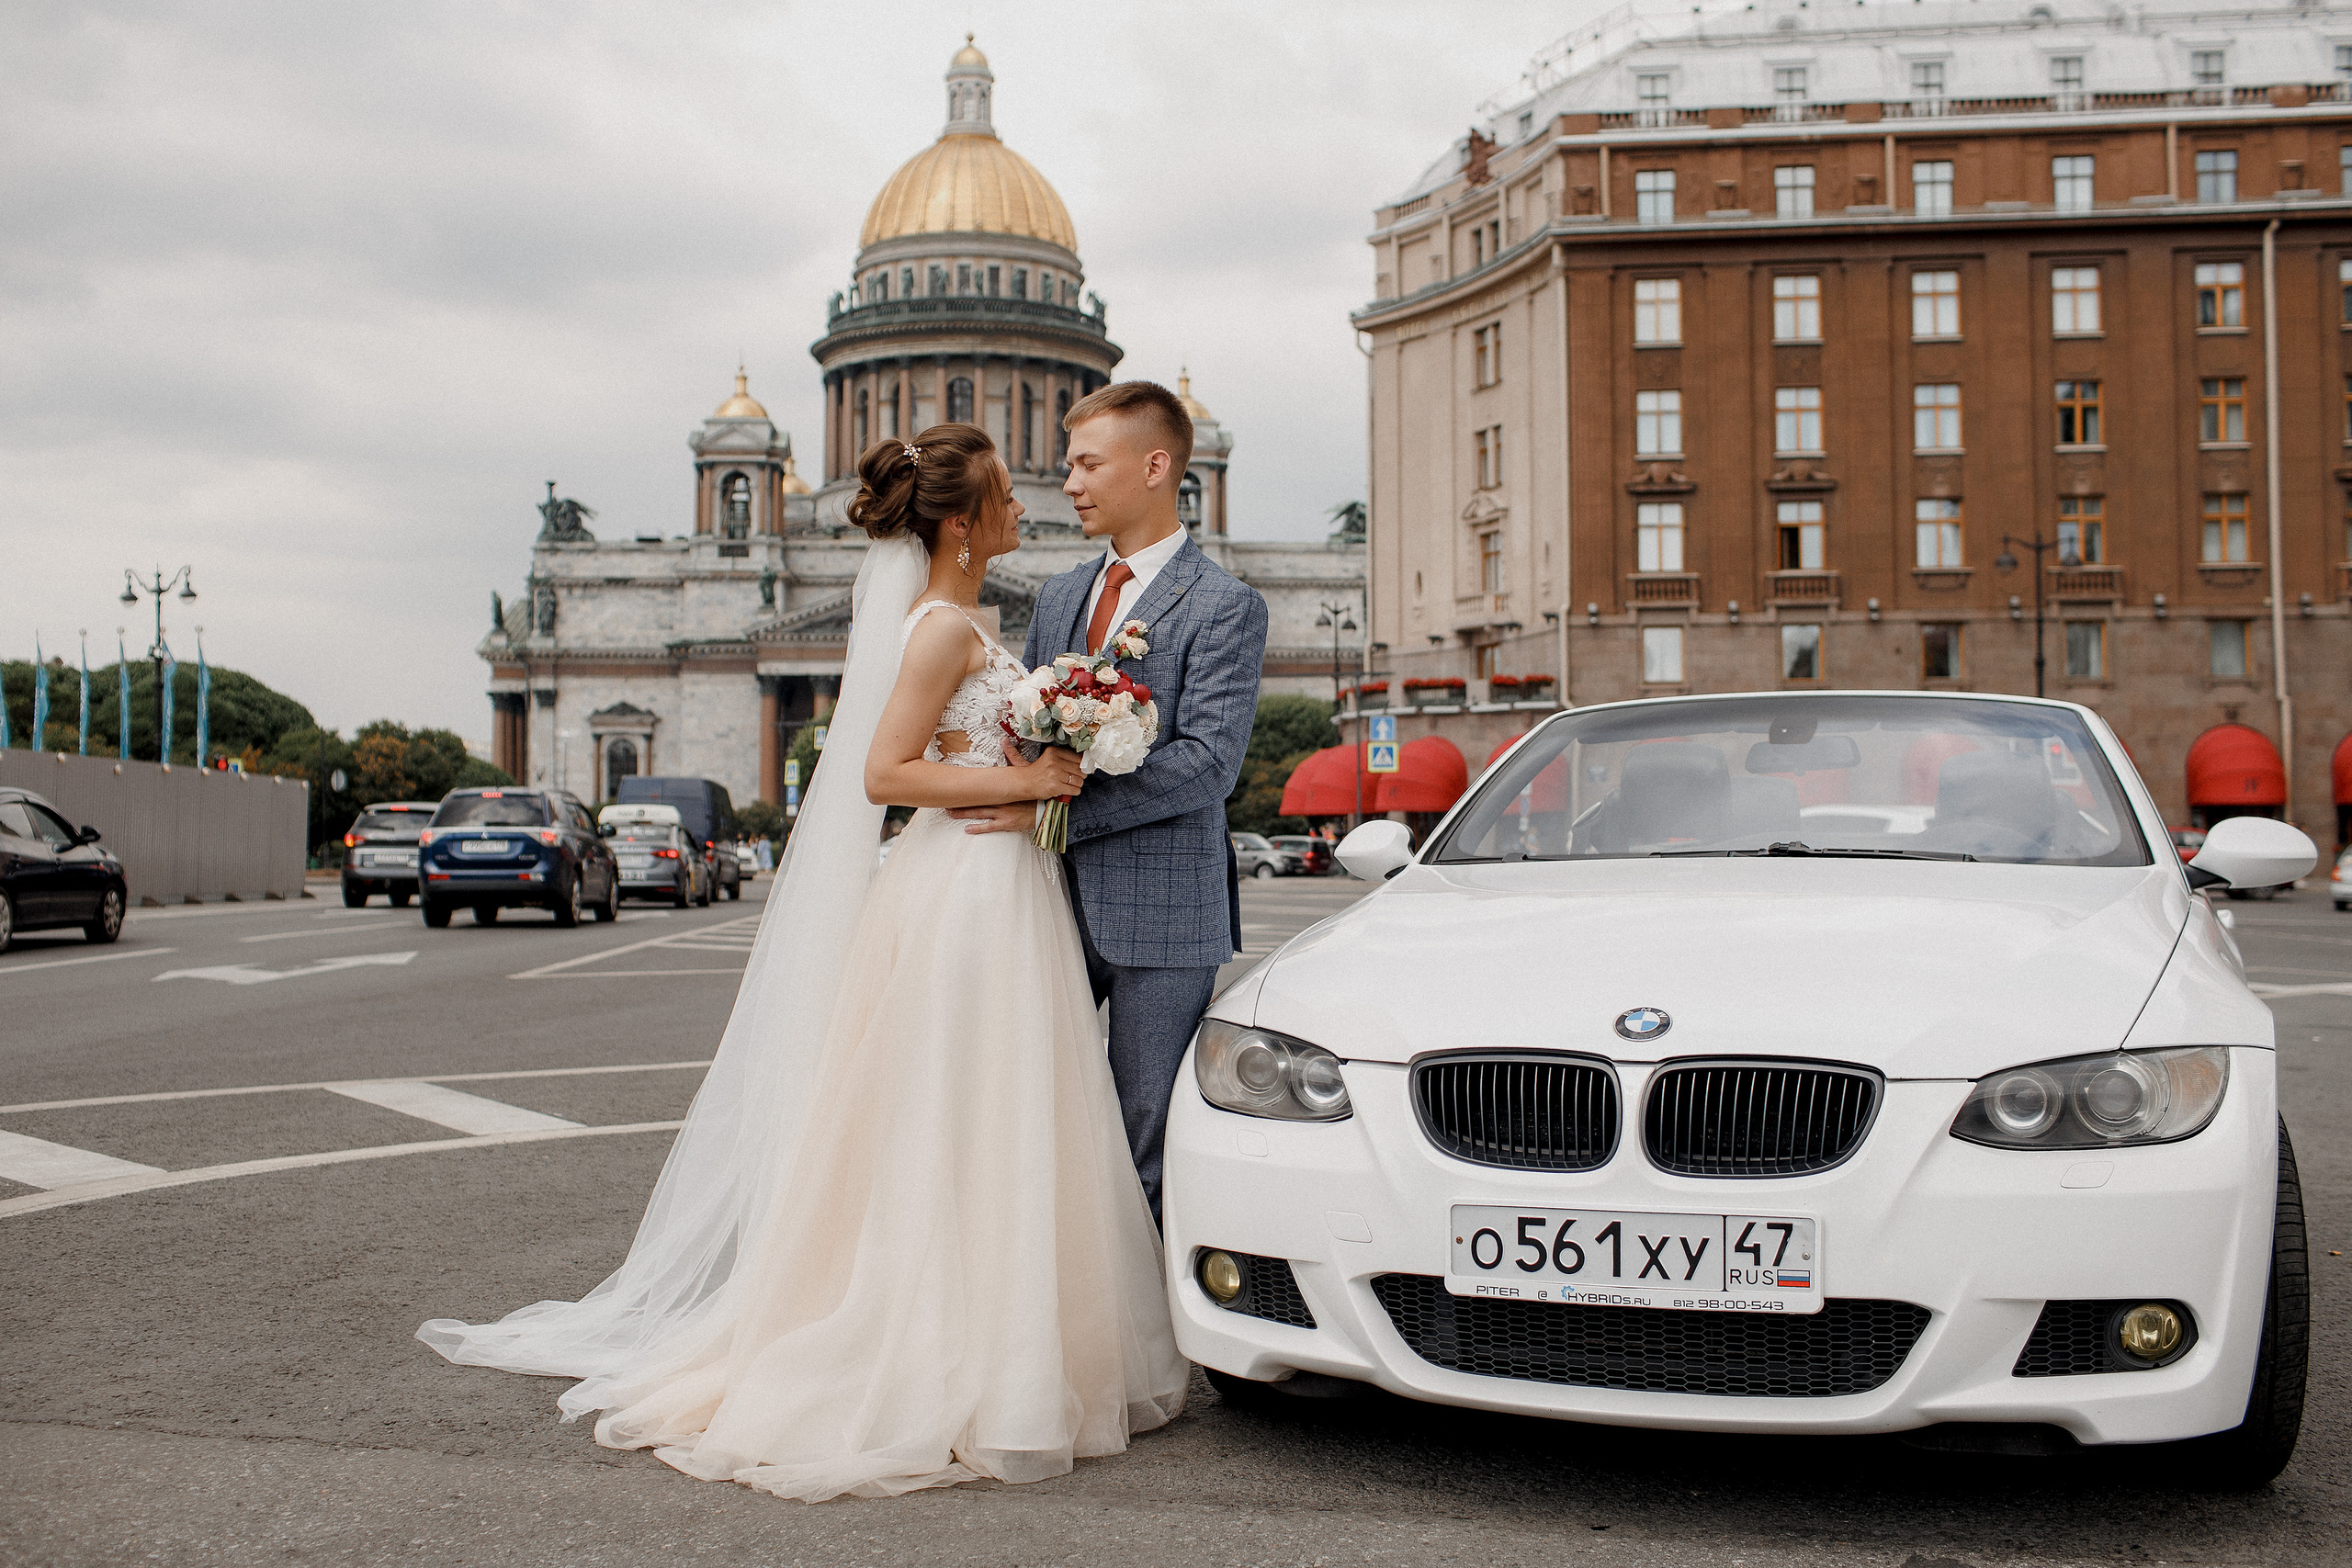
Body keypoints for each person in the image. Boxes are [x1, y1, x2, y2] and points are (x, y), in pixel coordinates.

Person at [417, 423, 1186, 1502]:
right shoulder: (935, 630)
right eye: (1008, 495)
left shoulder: (969, 618)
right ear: (961, 524)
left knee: (995, 1110)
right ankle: (951, 1347)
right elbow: (882, 773)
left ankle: (1004, 1339)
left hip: (999, 890)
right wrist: (1036, 781)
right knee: (951, 1109)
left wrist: (1041, 768)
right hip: (961, 892)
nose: (1027, 508)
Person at [950, 380, 1268, 1223]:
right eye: (1067, 465)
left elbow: (1207, 764)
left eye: (1089, 463)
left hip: (1163, 913)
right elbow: (1025, 724)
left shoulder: (1225, 604)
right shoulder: (1059, 596)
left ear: (1156, 466)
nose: (1071, 484)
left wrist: (1055, 812)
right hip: (1044, 898)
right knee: (1033, 1114)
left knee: (1146, 1133)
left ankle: (1161, 1346)